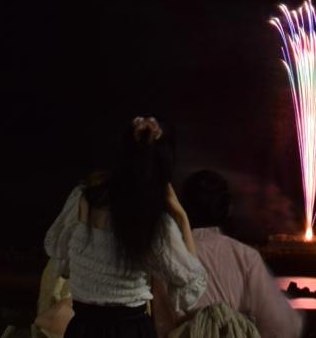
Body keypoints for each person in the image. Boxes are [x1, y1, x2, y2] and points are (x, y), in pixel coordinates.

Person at [43, 117, 207, 338]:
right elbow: (190, 285)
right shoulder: (153, 221)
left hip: (83, 327)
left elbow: (61, 258)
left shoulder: (84, 200)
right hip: (131, 330)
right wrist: (181, 216)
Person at [153, 170, 303, 338]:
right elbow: (283, 326)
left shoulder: (168, 258)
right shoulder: (246, 257)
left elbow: (160, 324)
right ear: (228, 210)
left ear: (182, 208)